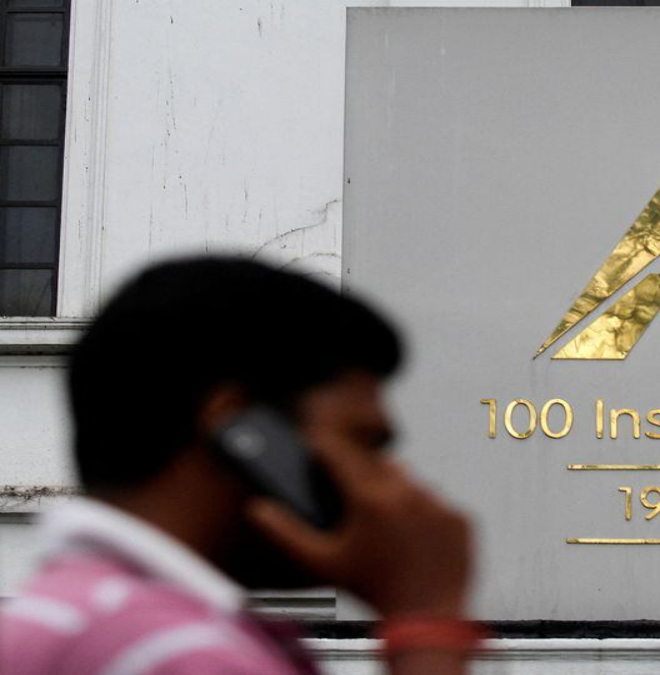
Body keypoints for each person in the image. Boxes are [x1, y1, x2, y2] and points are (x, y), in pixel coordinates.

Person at [0, 256, 480, 674]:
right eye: (365, 444)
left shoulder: (62, 620)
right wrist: (426, 624)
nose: (394, 481)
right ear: (241, 430)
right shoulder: (175, 654)